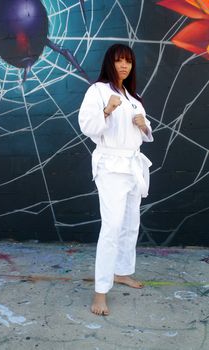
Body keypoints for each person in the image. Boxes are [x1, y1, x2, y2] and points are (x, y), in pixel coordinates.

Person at [78, 43, 153, 316]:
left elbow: (145, 131)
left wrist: (143, 124)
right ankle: (100, 292)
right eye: (119, 60)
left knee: (131, 223)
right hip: (110, 166)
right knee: (111, 227)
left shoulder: (133, 96)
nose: (124, 66)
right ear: (110, 62)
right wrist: (107, 110)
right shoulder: (98, 91)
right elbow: (87, 126)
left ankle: (121, 272)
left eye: (129, 62)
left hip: (133, 164)